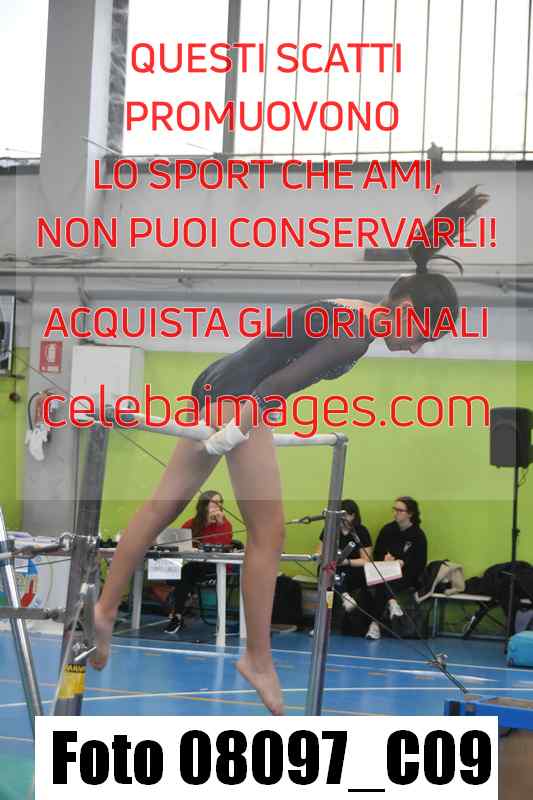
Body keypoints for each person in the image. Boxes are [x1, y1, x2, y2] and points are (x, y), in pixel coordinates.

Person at [89, 186, 488, 715]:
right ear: (407, 307)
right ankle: (258, 657)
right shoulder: (355, 332)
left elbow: (276, 365)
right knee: (269, 532)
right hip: (241, 396)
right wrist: (238, 426)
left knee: (164, 506)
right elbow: (280, 383)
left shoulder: (355, 314)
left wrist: (236, 420)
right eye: (421, 336)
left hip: (219, 382)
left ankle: (104, 608)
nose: (415, 348)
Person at [164, 490, 233, 634]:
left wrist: (220, 524)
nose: (218, 505)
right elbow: (180, 541)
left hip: (216, 567)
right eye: (214, 502)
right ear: (204, 505)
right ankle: (178, 615)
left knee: (186, 573)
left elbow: (223, 547)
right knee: (184, 571)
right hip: (197, 565)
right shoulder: (192, 523)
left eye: (220, 502)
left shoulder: (225, 524)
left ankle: (178, 612)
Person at [362, 496, 428, 640]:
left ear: (410, 514)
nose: (395, 513)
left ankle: (374, 625)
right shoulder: (387, 530)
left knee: (383, 584)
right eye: (394, 509)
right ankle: (391, 603)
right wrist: (385, 559)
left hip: (408, 575)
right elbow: (377, 554)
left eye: (400, 510)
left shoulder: (418, 535)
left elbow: (420, 563)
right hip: (386, 571)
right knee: (382, 581)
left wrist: (403, 563)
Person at [315, 499, 372, 631]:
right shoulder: (330, 530)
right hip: (333, 569)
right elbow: (318, 553)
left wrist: (347, 561)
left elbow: (366, 560)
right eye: (339, 516)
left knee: (333, 579)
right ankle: (340, 601)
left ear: (353, 516)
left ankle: (343, 597)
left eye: (345, 515)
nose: (341, 519)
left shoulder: (361, 531)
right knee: (328, 582)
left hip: (353, 570)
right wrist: (326, 558)